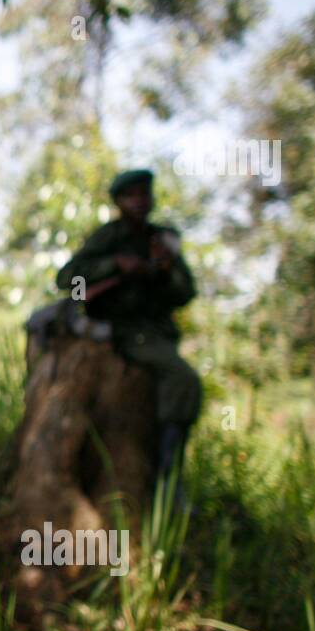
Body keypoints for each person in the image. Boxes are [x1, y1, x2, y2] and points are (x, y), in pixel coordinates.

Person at [55, 168, 201, 498]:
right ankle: (169, 484)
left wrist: (165, 269)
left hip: (155, 332)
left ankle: (168, 473)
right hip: (121, 331)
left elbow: (186, 292)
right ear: (119, 201)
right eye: (131, 195)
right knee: (184, 379)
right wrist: (115, 265)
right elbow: (67, 280)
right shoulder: (109, 238)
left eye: (144, 194)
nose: (139, 202)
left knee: (175, 381)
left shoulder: (162, 239)